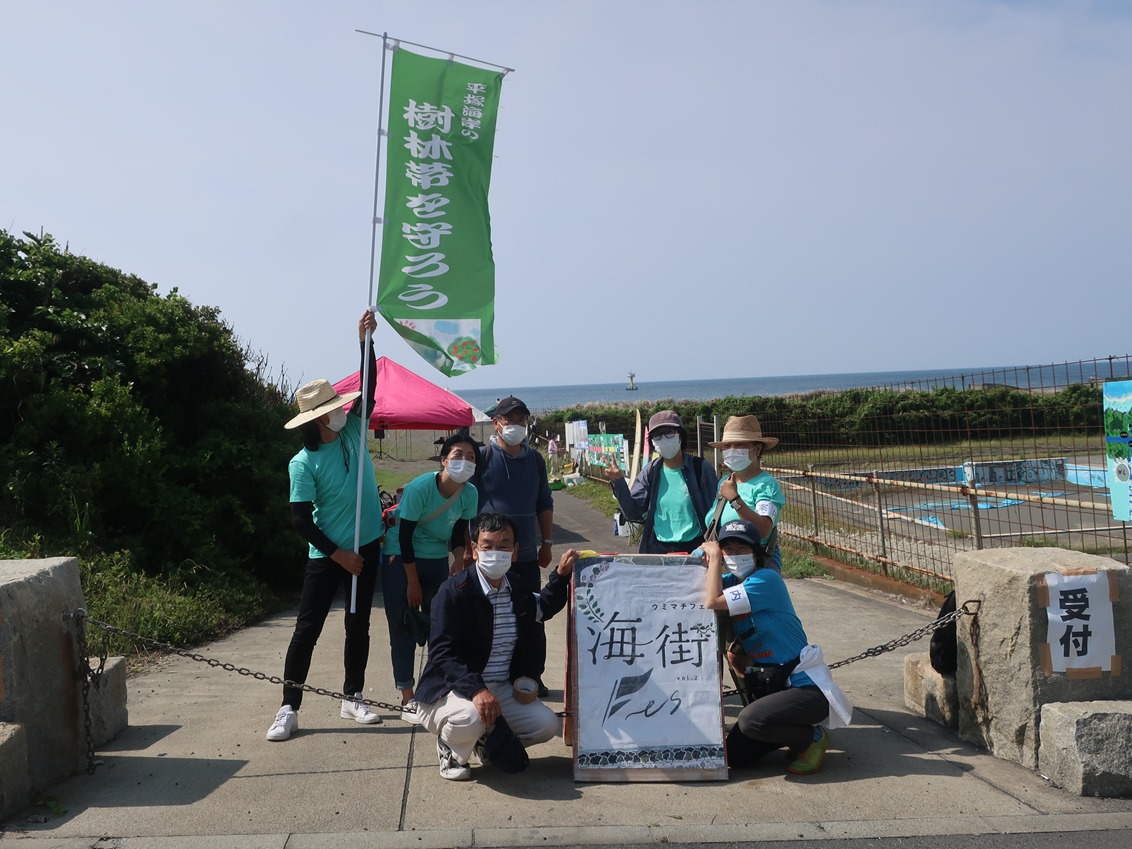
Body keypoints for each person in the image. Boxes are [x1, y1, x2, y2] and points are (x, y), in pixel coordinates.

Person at [267, 309, 383, 742]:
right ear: (316, 420)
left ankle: (353, 696)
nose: (340, 412)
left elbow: (370, 386)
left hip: (366, 545)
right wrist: (339, 555)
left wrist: (364, 342)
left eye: (339, 406)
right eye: (332, 410)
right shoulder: (302, 463)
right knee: (307, 629)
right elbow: (300, 520)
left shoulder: (354, 430)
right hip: (328, 553)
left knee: (358, 624)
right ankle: (288, 707)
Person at [416, 512, 577, 780]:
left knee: (546, 724)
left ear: (515, 551)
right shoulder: (453, 592)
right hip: (451, 689)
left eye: (503, 546)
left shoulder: (518, 588)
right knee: (471, 716)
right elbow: (443, 653)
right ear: (474, 549)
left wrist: (560, 575)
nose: (495, 552)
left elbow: (542, 607)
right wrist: (476, 690)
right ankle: (450, 749)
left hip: (501, 687)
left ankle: (486, 743)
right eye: (487, 545)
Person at [702, 520, 851, 774]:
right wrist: (701, 553)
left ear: (756, 552)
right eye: (728, 549)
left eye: (742, 548)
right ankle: (789, 733)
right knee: (736, 755)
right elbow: (699, 579)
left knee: (750, 720)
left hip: (806, 690)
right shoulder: (731, 581)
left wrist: (715, 557)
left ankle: (811, 738)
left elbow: (712, 601)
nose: (735, 555)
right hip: (774, 687)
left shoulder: (766, 579)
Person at [383, 432, 480, 708]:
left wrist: (459, 559)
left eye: (471, 457)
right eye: (458, 455)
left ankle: (435, 688)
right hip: (401, 556)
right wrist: (412, 582)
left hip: (436, 556)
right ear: (444, 460)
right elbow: (405, 536)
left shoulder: (470, 493)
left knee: (441, 624)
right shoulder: (420, 487)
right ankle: (407, 695)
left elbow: (460, 530)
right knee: (402, 623)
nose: (465, 461)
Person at [468, 395, 555, 695]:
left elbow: (544, 503)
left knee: (532, 617)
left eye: (521, 420)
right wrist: (467, 548)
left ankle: (532, 675)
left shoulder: (535, 460)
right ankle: (485, 675)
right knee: (486, 617)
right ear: (496, 423)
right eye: (509, 419)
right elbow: (466, 502)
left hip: (526, 554)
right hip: (489, 555)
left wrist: (547, 542)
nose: (516, 425)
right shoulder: (482, 457)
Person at [604, 410, 719, 554]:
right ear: (652, 442)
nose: (663, 439)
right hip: (658, 548)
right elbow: (633, 513)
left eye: (669, 432)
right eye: (657, 435)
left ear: (680, 435)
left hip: (695, 549)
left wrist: (714, 549)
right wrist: (618, 482)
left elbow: (715, 514)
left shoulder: (700, 469)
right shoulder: (650, 472)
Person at [706, 415, 785, 571]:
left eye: (740, 445)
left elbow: (763, 529)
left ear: (757, 449)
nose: (732, 450)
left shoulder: (766, 485)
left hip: (754, 565)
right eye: (727, 446)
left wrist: (735, 499)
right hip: (725, 564)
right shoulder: (724, 482)